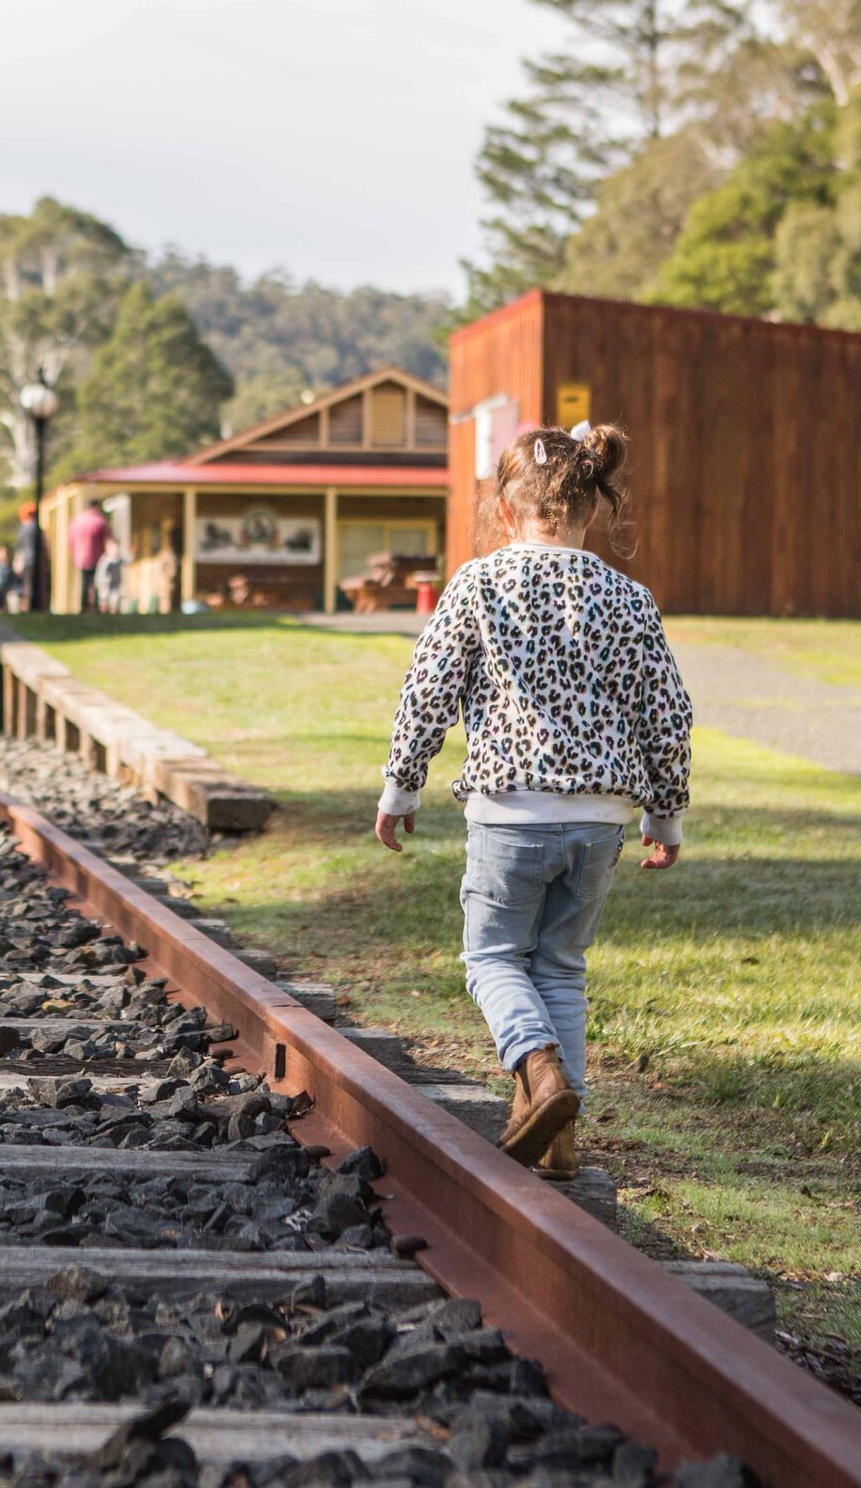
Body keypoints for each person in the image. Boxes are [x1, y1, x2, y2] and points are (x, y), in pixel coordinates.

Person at [373, 420, 691, 1180]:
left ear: (508, 512)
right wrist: (665, 812)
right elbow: (666, 711)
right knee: (561, 966)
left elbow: (429, 689)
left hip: (509, 811)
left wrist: (401, 783)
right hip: (600, 820)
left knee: (490, 957)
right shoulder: (629, 597)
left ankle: (538, 1069)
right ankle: (559, 1135)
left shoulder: (478, 583)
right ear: (592, 512)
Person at [69, 500, 110, 612]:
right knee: (96, 582)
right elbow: (106, 539)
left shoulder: (77, 520)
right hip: (96, 556)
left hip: (80, 557)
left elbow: (71, 539)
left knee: (84, 582)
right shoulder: (99, 520)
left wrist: (73, 554)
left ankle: (83, 606)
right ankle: (95, 607)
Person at [10, 503, 40, 612]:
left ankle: (26, 606)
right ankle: (29, 607)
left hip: (26, 560)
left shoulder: (22, 528)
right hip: (33, 560)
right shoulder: (33, 527)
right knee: (30, 585)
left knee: (26, 584)